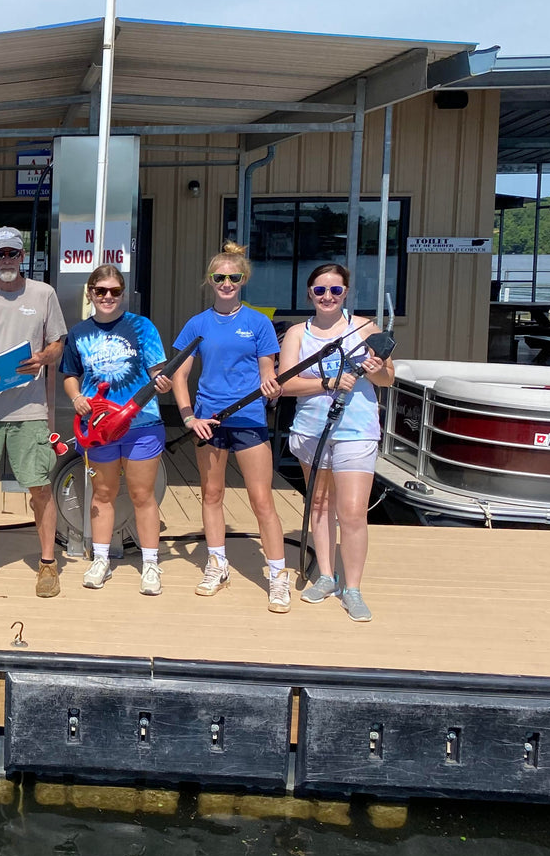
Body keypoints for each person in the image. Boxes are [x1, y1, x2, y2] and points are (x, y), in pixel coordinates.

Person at [170, 243, 289, 611]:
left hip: (249, 418)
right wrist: (189, 416)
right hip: (209, 421)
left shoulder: (258, 323)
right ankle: (217, 564)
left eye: (233, 277)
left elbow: (268, 370)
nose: (226, 283)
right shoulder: (198, 323)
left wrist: (272, 386)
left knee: (261, 499)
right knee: (212, 494)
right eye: (219, 277)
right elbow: (180, 372)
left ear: (243, 280)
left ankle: (277, 575)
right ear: (210, 280)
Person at [279, 262, 394, 622]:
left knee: (353, 511)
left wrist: (376, 371)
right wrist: (329, 383)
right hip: (313, 429)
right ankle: (326, 575)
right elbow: (285, 383)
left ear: (345, 293)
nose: (327, 296)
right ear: (310, 294)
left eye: (335, 290)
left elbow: (388, 379)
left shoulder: (365, 328)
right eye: (320, 290)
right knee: (320, 506)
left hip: (356, 430)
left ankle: (353, 588)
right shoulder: (298, 333)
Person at [0, 227, 68, 598]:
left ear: (24, 257)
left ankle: (48, 563)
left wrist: (42, 358)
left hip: (30, 408)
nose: (6, 260)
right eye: (0, 254)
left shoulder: (44, 294)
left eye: (13, 254)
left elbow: (58, 344)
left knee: (39, 486)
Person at [59, 264, 173, 596]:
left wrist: (163, 381)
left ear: (122, 293)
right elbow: (69, 375)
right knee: (103, 494)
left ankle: (151, 563)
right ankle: (101, 558)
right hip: (99, 427)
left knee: (142, 495)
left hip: (142, 424)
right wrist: (77, 396)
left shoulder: (142, 326)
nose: (108, 297)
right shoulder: (79, 333)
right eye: (100, 291)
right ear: (90, 293)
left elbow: (158, 371)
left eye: (115, 291)